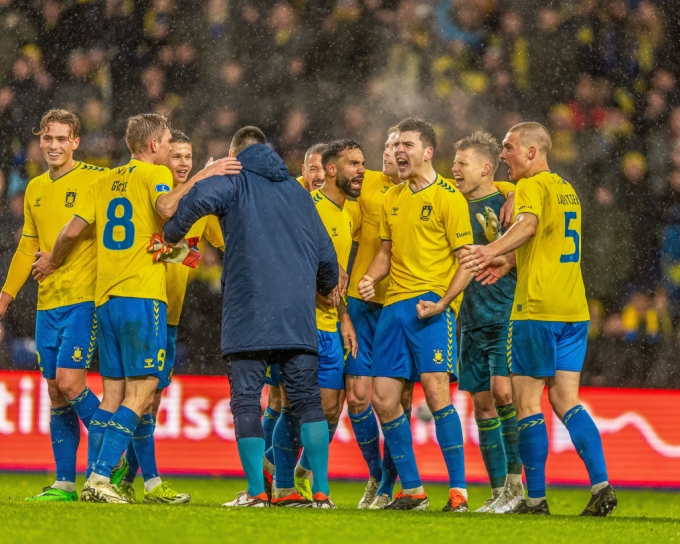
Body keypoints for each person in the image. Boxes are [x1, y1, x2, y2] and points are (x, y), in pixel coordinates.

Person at [31, 113, 235, 504]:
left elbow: (72, 231)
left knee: (113, 396)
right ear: (155, 146)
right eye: (170, 149)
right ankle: (104, 477)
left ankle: (99, 477)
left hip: (105, 300)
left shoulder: (105, 179)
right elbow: (166, 208)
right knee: (141, 396)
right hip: (143, 298)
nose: (178, 161)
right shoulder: (152, 175)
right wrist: (201, 180)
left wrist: (54, 260)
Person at [162, 126, 339, 508]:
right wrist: (324, 287)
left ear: (233, 154)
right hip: (297, 316)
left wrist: (171, 232)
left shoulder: (232, 178)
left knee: (247, 401)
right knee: (307, 401)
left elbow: (190, 209)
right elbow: (328, 258)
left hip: (250, 309)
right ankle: (320, 492)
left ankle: (258, 491)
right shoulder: (297, 191)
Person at [459, 122, 617, 517]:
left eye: (509, 148)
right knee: (567, 400)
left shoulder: (530, 186)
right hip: (574, 311)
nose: (502, 155)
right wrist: (507, 258)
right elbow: (547, 240)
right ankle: (601, 486)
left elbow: (528, 226)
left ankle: (535, 499)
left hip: (536, 310)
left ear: (532, 152)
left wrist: (487, 250)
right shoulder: (566, 189)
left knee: (528, 405)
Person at [357, 117, 474, 512]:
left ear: (428, 151)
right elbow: (385, 255)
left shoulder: (449, 198)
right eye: (395, 145)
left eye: (407, 144)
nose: (398, 151)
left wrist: (443, 303)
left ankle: (458, 492)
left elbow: (466, 261)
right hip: (393, 309)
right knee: (384, 399)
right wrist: (370, 279)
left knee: (437, 393)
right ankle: (413, 490)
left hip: (429, 308)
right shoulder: (393, 198)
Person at [0, 109, 108, 501]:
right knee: (55, 392)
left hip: (84, 298)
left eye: (63, 138)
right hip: (48, 303)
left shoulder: (97, 180)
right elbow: (27, 247)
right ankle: (64, 483)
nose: (55, 145)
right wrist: (5, 296)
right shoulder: (34, 188)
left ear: (76, 141)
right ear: (40, 141)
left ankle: (116, 452)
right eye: (49, 138)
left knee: (69, 382)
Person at [119, 129, 227, 504]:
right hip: (142, 306)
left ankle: (124, 475)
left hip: (172, 313)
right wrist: (193, 255)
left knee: (153, 398)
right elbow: (149, 249)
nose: (182, 163)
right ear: (162, 157)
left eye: (188, 156)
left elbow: (226, 242)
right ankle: (147, 481)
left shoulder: (202, 205)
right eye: (176, 155)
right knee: (142, 395)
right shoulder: (155, 199)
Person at [265, 139, 362, 506]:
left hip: (330, 325)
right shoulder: (306, 207)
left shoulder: (348, 214)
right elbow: (295, 267)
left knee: (331, 408)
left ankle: (290, 471)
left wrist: (344, 315)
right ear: (332, 170)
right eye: (353, 163)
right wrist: (319, 294)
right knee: (295, 406)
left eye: (362, 163)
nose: (361, 170)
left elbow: (337, 274)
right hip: (300, 324)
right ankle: (285, 486)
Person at [450, 131, 523, 513]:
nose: (454, 169)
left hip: (504, 313)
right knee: (481, 405)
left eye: (461, 163)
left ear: (486, 168)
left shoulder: (511, 203)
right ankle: (498, 492)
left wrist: (513, 192)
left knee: (504, 395)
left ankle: (517, 485)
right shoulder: (451, 202)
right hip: (471, 317)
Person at [263, 143, 327, 453]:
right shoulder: (287, 200)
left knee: (316, 403)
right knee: (282, 398)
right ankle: (270, 478)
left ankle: (281, 476)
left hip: (323, 320)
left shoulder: (339, 205)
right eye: (313, 168)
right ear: (301, 170)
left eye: (324, 169)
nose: (319, 176)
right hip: (288, 318)